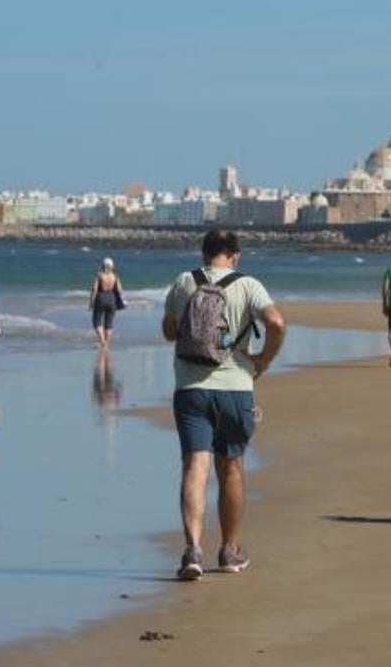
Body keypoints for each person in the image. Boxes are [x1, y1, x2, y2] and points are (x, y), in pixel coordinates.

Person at [162, 229, 286, 580]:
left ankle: (192, 552)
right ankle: (230, 551)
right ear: (235, 255)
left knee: (194, 467)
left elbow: (169, 332)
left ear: (203, 253)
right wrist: (263, 359)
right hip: (236, 388)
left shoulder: (185, 281)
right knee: (231, 466)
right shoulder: (248, 285)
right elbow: (276, 322)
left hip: (190, 388)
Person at [89, 257, 124, 348]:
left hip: (100, 298)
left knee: (97, 321)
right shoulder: (115, 276)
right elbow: (120, 289)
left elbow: (94, 288)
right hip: (111, 299)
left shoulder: (99, 275)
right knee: (109, 322)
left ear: (103, 265)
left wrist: (91, 301)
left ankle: (102, 341)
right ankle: (106, 343)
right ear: (112, 266)